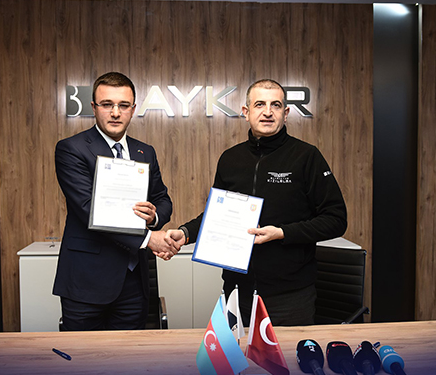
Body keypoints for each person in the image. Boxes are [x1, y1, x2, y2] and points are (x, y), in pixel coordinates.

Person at [167, 79, 347, 326]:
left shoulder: (307, 156)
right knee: (234, 353)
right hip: (236, 292)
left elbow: (336, 220)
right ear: (246, 112)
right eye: (260, 104)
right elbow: (216, 216)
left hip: (289, 296)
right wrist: (185, 233)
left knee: (286, 353)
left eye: (276, 105)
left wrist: (282, 233)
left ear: (285, 113)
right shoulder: (230, 159)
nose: (267, 112)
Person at [53, 71, 179, 331]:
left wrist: (153, 216)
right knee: (83, 355)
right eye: (107, 104)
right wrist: (149, 239)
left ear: (133, 109)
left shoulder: (145, 152)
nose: (115, 113)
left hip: (134, 283)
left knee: (130, 355)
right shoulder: (72, 149)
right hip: (86, 281)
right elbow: (89, 210)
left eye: (123, 105)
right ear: (93, 107)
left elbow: (162, 198)